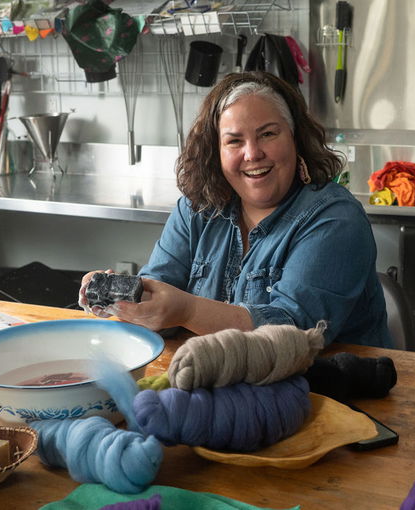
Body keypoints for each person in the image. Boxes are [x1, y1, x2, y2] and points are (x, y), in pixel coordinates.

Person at [80, 71, 390, 347]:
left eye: (268, 134)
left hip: (330, 388)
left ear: (295, 138)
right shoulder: (197, 208)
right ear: (215, 151)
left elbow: (295, 333)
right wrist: (124, 300)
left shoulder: (335, 218)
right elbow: (159, 292)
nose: (252, 153)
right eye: (234, 141)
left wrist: (187, 310)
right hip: (215, 381)